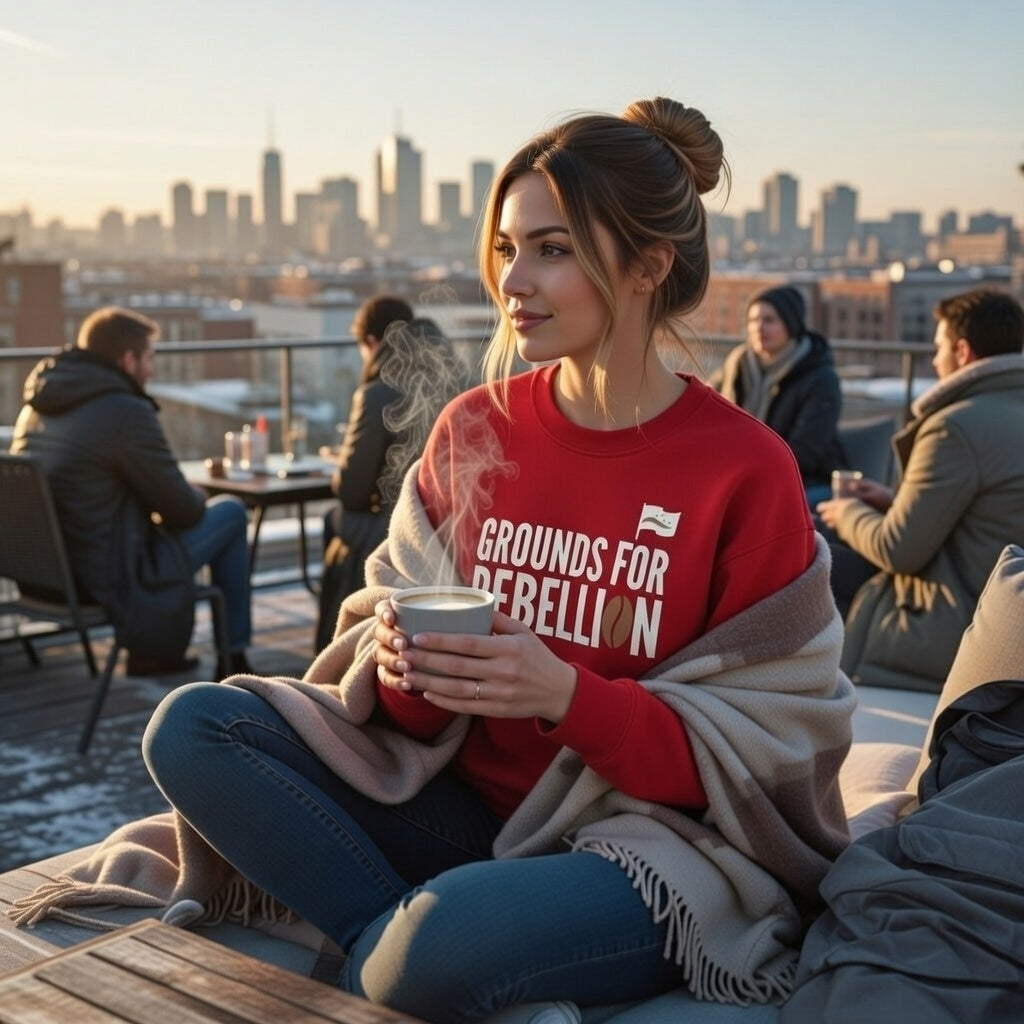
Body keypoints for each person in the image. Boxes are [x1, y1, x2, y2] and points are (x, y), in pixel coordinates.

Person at [18, 99, 853, 1021]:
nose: (513, 282)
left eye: (553, 249)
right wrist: (403, 664)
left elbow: (764, 760)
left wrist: (565, 696)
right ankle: (424, 943)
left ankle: (420, 948)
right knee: (193, 727)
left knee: (432, 952)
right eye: (506, 248)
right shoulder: (474, 429)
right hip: (453, 813)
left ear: (649, 266)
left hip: (639, 844)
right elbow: (405, 724)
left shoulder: (743, 468)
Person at [10, 306, 253, 676]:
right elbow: (183, 513)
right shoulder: (125, 411)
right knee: (232, 512)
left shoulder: (35, 408)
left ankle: (163, 653)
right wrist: (195, 494)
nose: (153, 370)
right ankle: (234, 660)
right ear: (128, 359)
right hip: (111, 578)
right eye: (150, 358)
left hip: (41, 578)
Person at [817, 287, 1024, 691]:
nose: (933, 360)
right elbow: (986, 517)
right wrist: (894, 502)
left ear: (962, 352)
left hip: (950, 620)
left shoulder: (955, 427)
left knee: (811, 552)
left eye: (939, 347)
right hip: (1001, 603)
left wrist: (848, 512)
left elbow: (899, 551)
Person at [315, 297, 468, 651]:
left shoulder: (376, 393)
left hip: (402, 530)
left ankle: (335, 636)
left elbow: (352, 491)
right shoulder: (455, 380)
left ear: (371, 343)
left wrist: (341, 465)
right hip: (454, 527)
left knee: (335, 518)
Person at [714, 285, 846, 504]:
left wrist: (748, 474)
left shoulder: (820, 378)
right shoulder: (737, 364)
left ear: (791, 325)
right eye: (753, 320)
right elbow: (707, 413)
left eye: (769, 320)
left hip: (807, 481)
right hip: (742, 477)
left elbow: (804, 453)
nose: (759, 328)